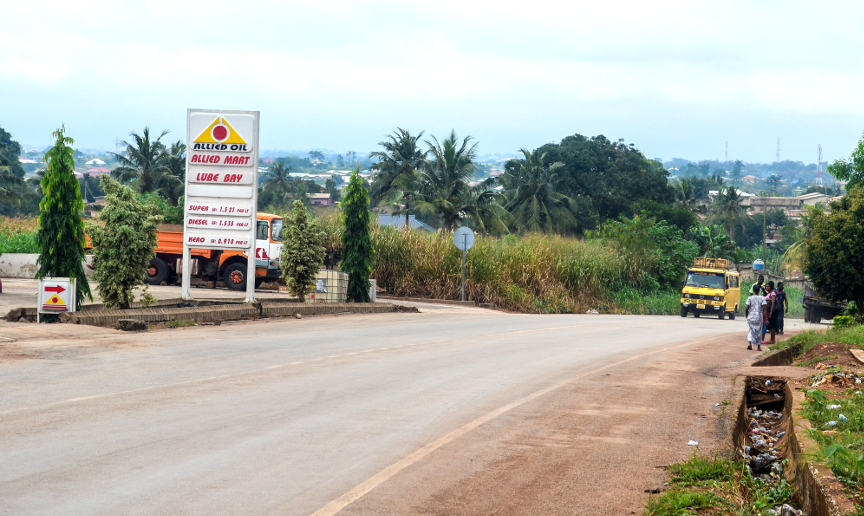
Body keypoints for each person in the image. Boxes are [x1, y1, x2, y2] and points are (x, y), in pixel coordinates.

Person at [745, 284, 766, 351]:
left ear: (753, 290)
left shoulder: (750, 298)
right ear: (759, 290)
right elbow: (764, 308)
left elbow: (747, 308)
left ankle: (750, 344)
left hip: (751, 316)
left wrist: (747, 316)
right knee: (759, 331)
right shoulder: (762, 298)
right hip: (759, 316)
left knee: (751, 330)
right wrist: (766, 318)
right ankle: (758, 346)